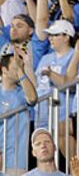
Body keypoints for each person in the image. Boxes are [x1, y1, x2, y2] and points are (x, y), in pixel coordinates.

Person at [32, 18, 75, 131]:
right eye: (50, 35)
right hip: (41, 113)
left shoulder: (75, 56)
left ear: (66, 37)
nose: (50, 38)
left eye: (55, 35)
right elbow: (37, 83)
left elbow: (72, 84)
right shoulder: (46, 58)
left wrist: (51, 74)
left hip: (62, 113)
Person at [0, 47, 37, 176]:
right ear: (4, 69)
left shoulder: (23, 91)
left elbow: (32, 98)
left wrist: (21, 69)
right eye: (15, 66)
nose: (18, 69)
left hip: (17, 161)